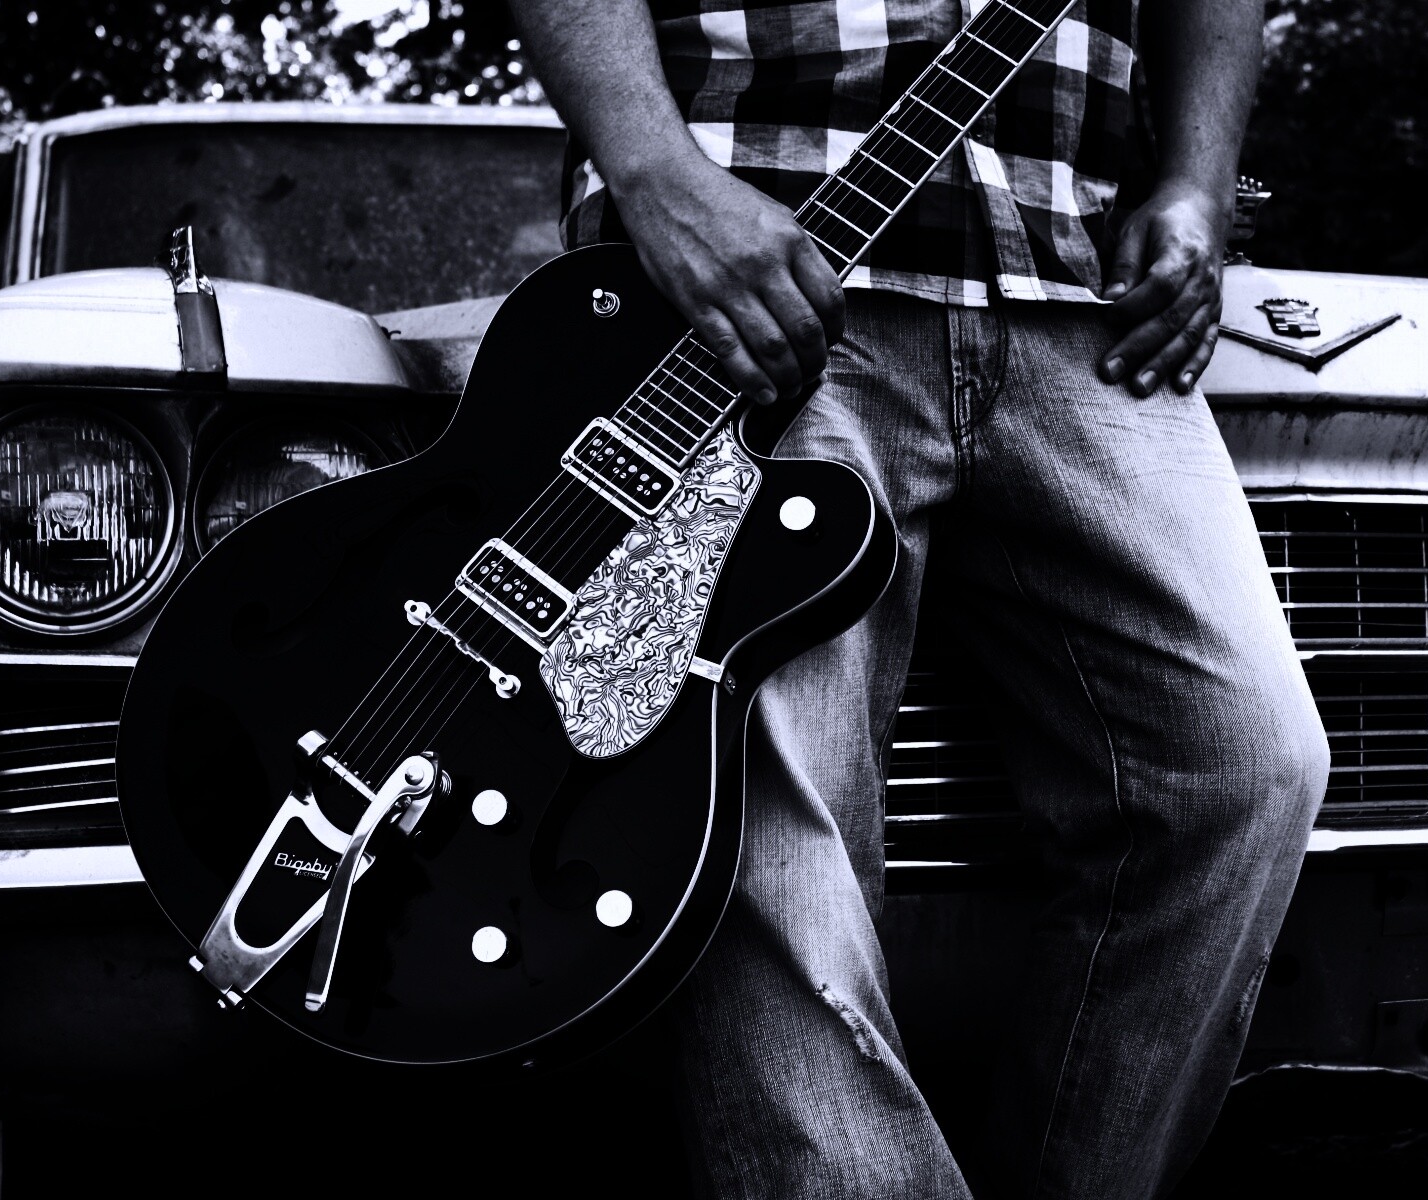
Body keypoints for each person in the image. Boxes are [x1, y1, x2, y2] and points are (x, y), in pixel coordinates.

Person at [509, 2, 1329, 1195]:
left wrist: (1198, 184)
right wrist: (656, 173)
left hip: (1076, 272)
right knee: (752, 812)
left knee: (1246, 761)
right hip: (757, 259)